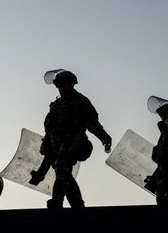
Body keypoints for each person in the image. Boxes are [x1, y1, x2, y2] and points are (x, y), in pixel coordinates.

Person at [30, 70, 112, 209]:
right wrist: (47, 146)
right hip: (54, 145)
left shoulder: (80, 101)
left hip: (71, 143)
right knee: (61, 173)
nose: (59, 88)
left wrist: (104, 137)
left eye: (62, 84)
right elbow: (49, 128)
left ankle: (75, 203)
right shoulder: (56, 105)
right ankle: (58, 201)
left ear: (70, 84)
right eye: (58, 85)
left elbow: (92, 123)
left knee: (62, 171)